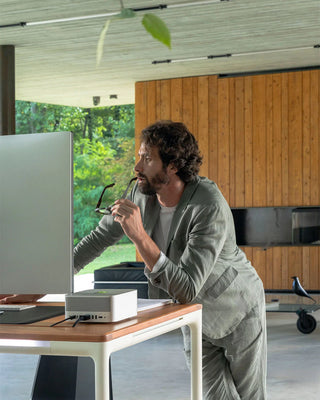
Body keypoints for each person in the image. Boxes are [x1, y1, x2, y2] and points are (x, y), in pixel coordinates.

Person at [73, 120, 267, 400]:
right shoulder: (140, 194)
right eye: (140, 156)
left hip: (237, 310)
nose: (137, 167)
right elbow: (97, 239)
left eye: (147, 158)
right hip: (196, 319)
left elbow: (187, 287)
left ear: (173, 165)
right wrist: (45, 279)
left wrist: (140, 236)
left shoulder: (208, 205)